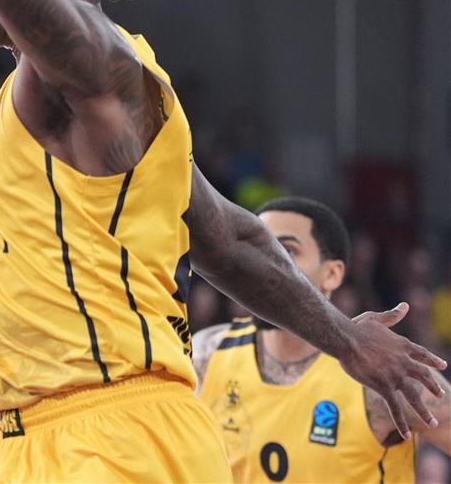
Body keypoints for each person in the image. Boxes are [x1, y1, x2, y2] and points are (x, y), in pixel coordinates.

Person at [0, 0, 447, 481]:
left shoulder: (100, 66)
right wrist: (348, 338)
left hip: (109, 437)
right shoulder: (48, 107)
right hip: (20, 441)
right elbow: (230, 239)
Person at [192, 197, 450, 482]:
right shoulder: (204, 355)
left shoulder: (382, 373)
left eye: (286, 250)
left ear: (332, 274)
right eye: (256, 251)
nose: (263, 266)